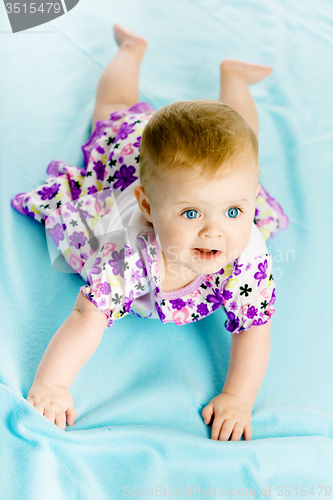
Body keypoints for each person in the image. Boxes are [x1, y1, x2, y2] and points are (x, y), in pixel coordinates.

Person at [11, 23, 289, 440]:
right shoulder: (131, 252)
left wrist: (237, 397)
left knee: (243, 136)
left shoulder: (246, 250)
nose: (215, 233)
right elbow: (88, 316)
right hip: (130, 157)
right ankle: (130, 49)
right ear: (148, 207)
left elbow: (254, 329)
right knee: (113, 109)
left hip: (212, 177)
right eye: (191, 214)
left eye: (235, 211)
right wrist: (52, 385)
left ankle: (233, 77)